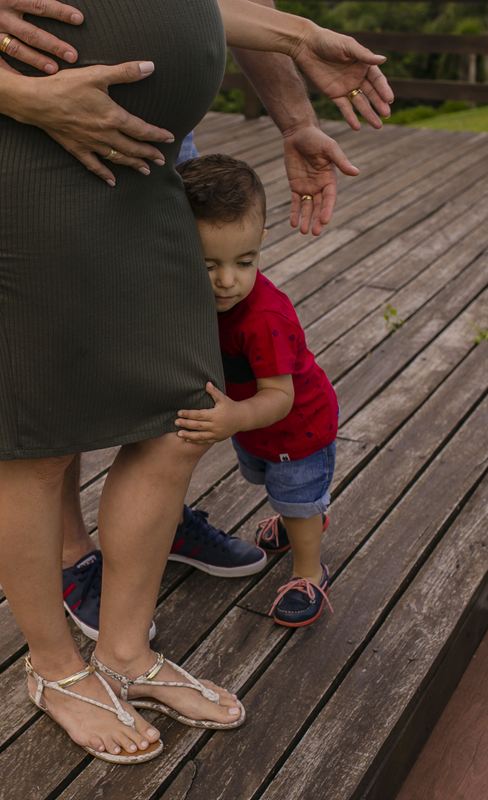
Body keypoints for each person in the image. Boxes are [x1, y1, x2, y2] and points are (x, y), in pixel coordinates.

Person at [0, 0, 387, 765]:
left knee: (181, 416)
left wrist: (302, 37)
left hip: (145, 176)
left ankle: (124, 653)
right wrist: (26, 96)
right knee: (37, 445)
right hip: (18, 163)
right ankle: (54, 670)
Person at [0, 0, 392, 640]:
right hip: (30, 145)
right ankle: (73, 561)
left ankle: (149, 550)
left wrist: (299, 64)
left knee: (173, 388)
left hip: (159, 149)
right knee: (53, 409)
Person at [175, 154, 337, 627]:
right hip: (257, 430)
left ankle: (310, 570)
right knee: (272, 485)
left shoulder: (264, 319)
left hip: (298, 432)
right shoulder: (207, 299)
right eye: (209, 265)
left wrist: (233, 419)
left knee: (295, 496)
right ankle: (299, 519)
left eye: (245, 262)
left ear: (262, 242)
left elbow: (280, 397)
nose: (228, 281)